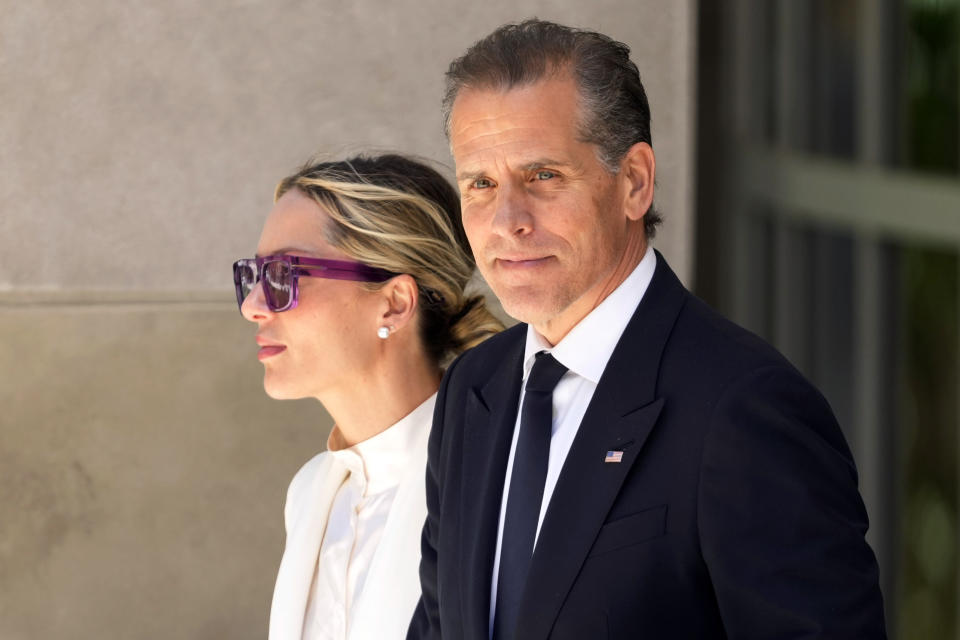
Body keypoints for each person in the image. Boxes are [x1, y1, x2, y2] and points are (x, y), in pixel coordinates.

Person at [408, 19, 887, 639]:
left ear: (634, 181)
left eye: (543, 176)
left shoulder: (745, 409)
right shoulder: (475, 389)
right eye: (480, 183)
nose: (507, 222)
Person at [234, 153, 502, 640]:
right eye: (254, 277)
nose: (253, 306)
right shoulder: (311, 492)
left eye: (284, 276)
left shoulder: (497, 478)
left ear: (394, 303)